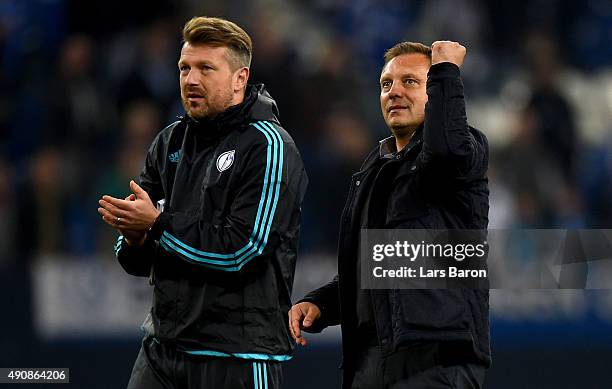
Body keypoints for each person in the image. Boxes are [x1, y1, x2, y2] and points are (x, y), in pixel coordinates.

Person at [98, 16, 308, 389]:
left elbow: (243, 251)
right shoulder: (169, 142)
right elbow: (137, 259)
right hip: (163, 349)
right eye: (184, 68)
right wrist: (134, 239)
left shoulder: (268, 146)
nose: (191, 79)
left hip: (237, 356)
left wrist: (157, 226)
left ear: (240, 78)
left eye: (206, 69)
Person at [289, 41, 490, 388]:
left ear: (436, 93)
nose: (394, 91)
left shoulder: (464, 150)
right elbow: (376, 270)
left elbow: (445, 152)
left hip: (435, 365)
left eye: (410, 81)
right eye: (386, 84)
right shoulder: (374, 172)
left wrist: (447, 72)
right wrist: (322, 303)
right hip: (371, 365)